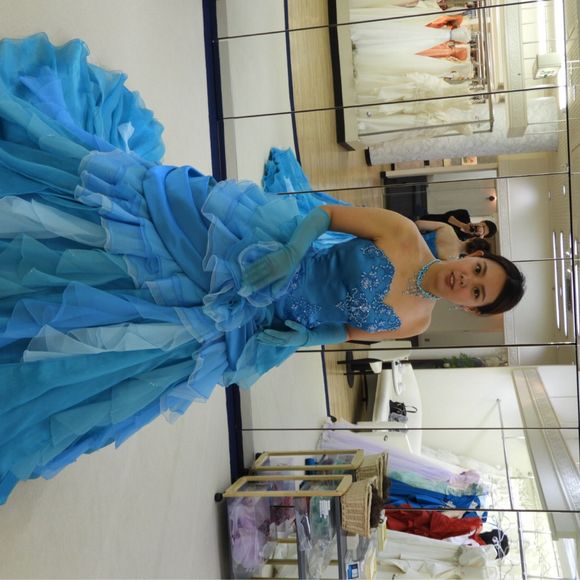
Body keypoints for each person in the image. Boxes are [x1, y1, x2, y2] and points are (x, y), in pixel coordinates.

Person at [0, 34, 525, 505]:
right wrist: (290, 254)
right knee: (143, 243)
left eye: (478, 292)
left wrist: (295, 339)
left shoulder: (417, 322)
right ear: (475, 254)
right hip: (257, 256)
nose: (468, 280)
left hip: (262, 324)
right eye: (479, 269)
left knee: (147, 340)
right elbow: (325, 215)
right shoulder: (405, 234)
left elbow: (343, 331)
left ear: (471, 309)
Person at [415, 219, 491, 259]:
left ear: (472, 238)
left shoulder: (448, 229)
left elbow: (419, 224)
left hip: (410, 238)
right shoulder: (451, 261)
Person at [418, 209, 497, 241]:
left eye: (483, 232)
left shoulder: (464, 240)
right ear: (482, 221)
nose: (479, 229)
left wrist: (474, 238)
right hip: (425, 221)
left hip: (425, 239)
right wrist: (463, 225)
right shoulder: (464, 214)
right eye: (483, 226)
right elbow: (448, 217)